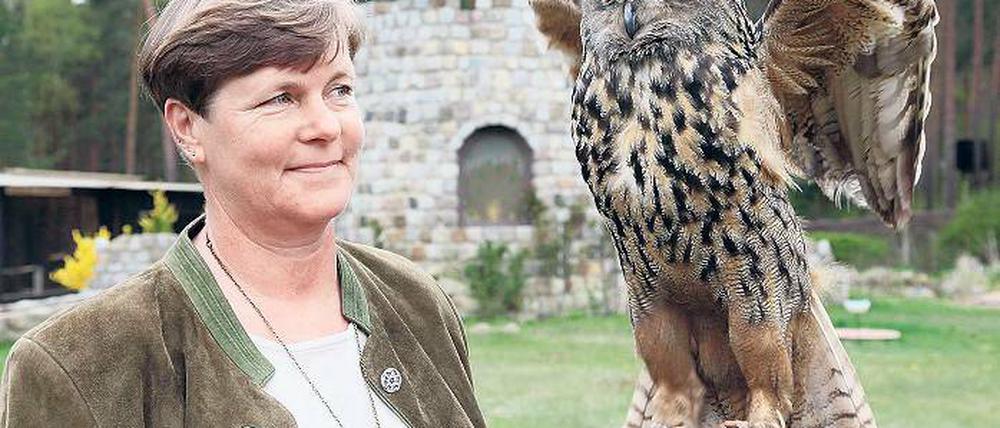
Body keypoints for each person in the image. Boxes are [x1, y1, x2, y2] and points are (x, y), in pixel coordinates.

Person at [0, 0, 484, 426]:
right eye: (282, 98)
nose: (325, 126)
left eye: (339, 90)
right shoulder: (77, 364)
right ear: (187, 127)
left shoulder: (415, 302)